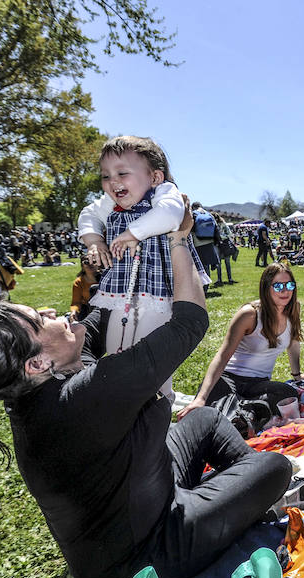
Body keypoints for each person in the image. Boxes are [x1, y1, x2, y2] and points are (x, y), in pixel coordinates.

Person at [0, 199, 292, 578]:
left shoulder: (44, 386)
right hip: (145, 558)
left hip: (146, 493)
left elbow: (96, 320)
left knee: (204, 420)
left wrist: (132, 244)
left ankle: (223, 504)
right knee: (275, 466)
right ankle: (226, 508)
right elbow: (191, 321)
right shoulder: (85, 398)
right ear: (36, 364)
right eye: (40, 319)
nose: (52, 310)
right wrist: (178, 238)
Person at [77, 136, 208, 398]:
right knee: (117, 350)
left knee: (155, 357)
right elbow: (88, 215)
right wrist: (94, 241)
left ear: (155, 177)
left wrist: (133, 233)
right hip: (122, 292)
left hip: (159, 290)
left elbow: (170, 214)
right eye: (106, 175)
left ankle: (159, 400)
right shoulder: (110, 202)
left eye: (122, 172)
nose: (113, 181)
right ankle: (125, 399)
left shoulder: (164, 193)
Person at [177, 263, 304, 431]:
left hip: (258, 385)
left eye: (289, 285)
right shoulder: (250, 314)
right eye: (278, 286)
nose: (285, 291)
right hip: (230, 379)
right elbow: (223, 356)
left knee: (289, 393)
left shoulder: (294, 310)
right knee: (220, 406)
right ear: (266, 287)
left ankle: (242, 411)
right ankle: (245, 412)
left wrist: (297, 377)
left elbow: (293, 344)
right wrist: (201, 397)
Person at [69, 256, 100, 321]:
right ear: (82, 266)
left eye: (94, 262)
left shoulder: (105, 278)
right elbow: (76, 302)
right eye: (86, 262)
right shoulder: (79, 282)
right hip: (88, 310)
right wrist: (74, 311)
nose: (90, 264)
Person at [213, 212, 236, 285]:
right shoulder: (212, 225)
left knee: (227, 262)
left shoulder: (223, 224)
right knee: (218, 263)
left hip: (225, 244)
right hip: (217, 245)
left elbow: (229, 233)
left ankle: (230, 278)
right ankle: (219, 279)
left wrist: (220, 237)